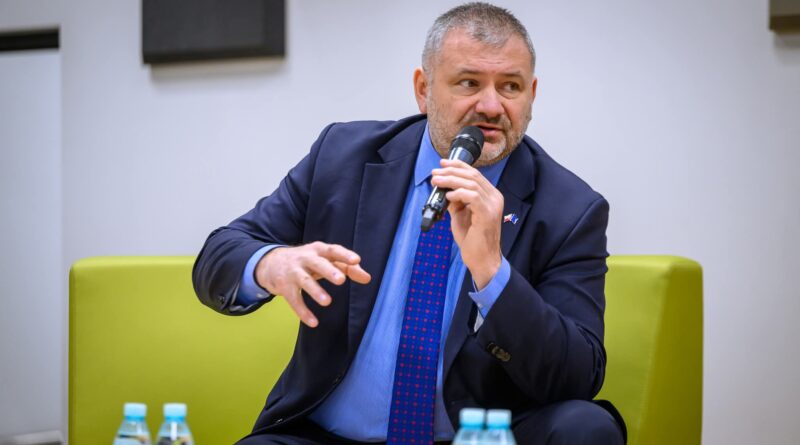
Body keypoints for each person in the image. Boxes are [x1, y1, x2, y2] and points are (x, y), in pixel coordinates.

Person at [193, 3, 626, 444]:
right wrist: (272, 263)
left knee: (587, 427)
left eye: (510, 86)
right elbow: (219, 255)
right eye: (469, 83)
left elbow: (577, 375)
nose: (491, 105)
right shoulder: (343, 156)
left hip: (476, 436)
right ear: (424, 89)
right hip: (324, 437)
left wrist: (493, 273)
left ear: (531, 94)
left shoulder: (570, 210)